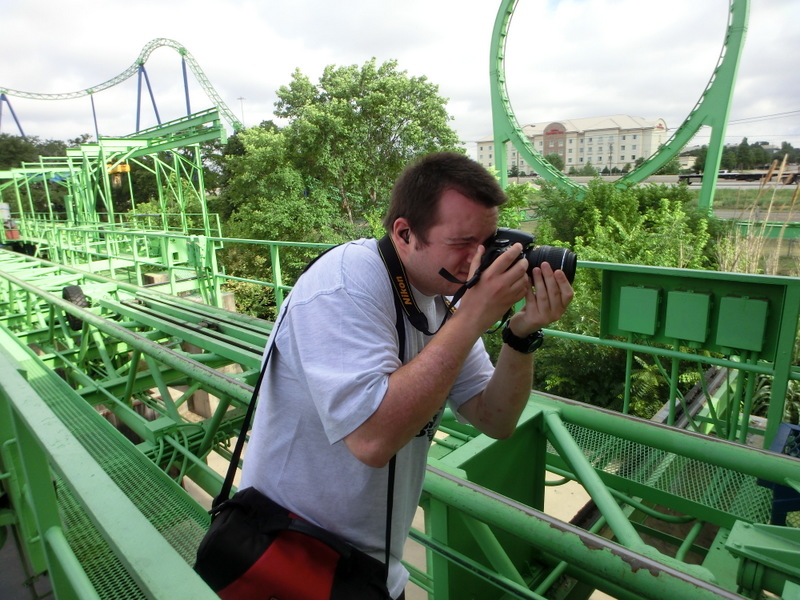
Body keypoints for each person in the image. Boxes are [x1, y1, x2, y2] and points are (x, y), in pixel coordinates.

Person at [239, 151, 574, 599]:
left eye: (489, 242)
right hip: (289, 555)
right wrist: (472, 315)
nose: (479, 260)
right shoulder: (345, 283)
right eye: (463, 243)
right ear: (404, 233)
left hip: (367, 570)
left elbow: (494, 418)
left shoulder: (444, 297)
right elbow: (372, 440)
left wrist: (520, 335)